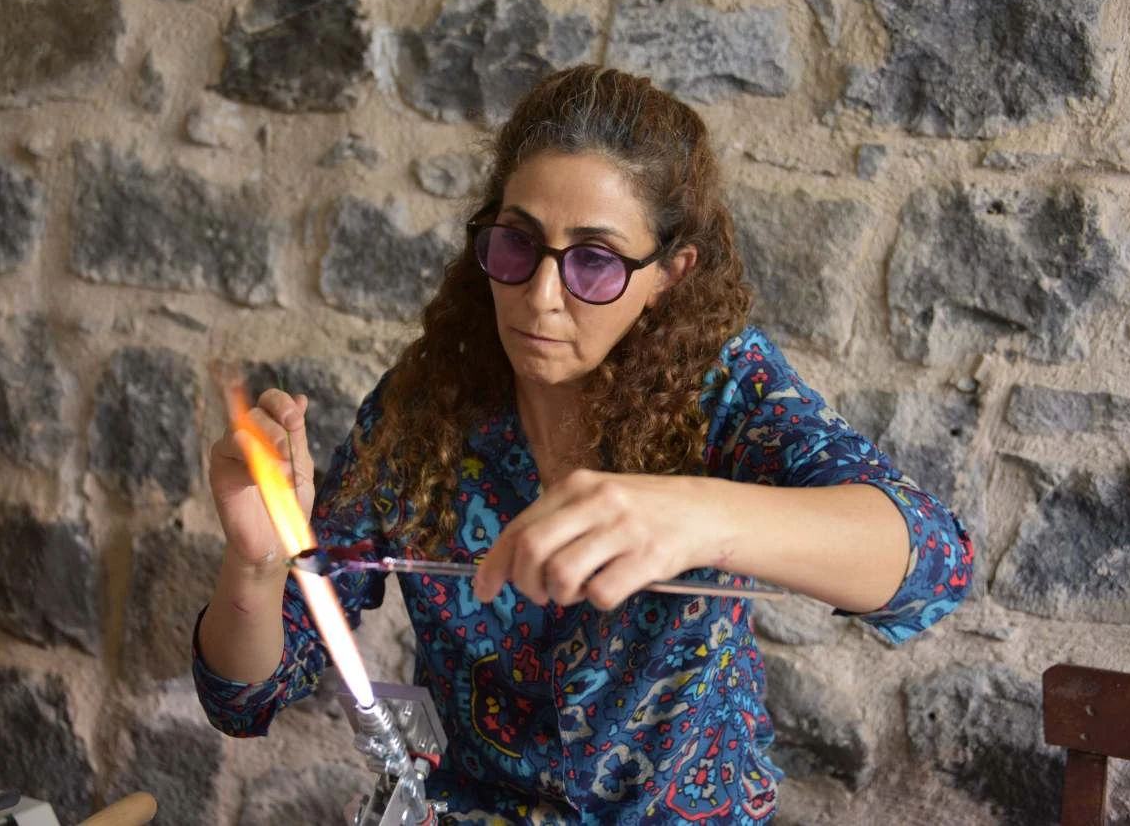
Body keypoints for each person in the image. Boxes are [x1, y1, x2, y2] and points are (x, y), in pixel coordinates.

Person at [193, 65, 974, 824]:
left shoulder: (723, 390)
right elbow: (244, 698)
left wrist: (702, 515)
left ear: (670, 275)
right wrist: (256, 566)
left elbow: (935, 565)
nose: (540, 297)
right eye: (517, 243)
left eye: (595, 261)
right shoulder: (425, 409)